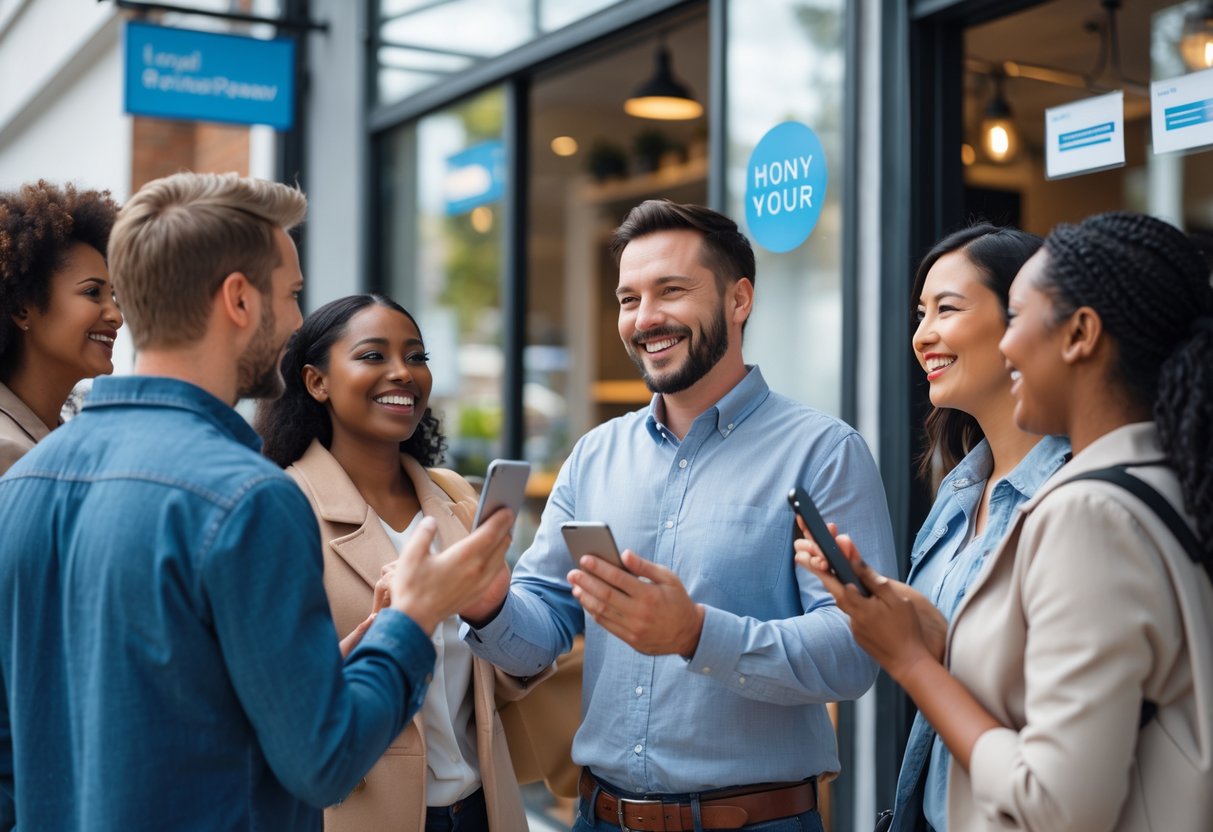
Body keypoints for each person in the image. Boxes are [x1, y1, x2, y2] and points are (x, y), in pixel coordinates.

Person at [0, 172, 515, 831]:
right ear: (239, 300)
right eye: (293, 294)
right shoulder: (249, 498)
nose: (299, 320)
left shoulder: (22, 484)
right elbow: (323, 763)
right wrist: (410, 621)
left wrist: (328, 669)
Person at [463, 199, 897, 832]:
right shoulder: (595, 455)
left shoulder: (824, 453)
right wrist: (486, 602)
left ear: (738, 299)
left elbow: (857, 650)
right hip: (600, 818)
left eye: (671, 291)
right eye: (628, 298)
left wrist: (696, 633)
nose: (645, 319)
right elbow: (542, 626)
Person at [800, 211, 1213, 831]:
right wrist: (932, 632)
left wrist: (913, 660)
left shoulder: (1087, 512)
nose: (1009, 344)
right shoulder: (1159, 478)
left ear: (1080, 334)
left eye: (1018, 319)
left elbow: (1054, 808)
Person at [254, 293, 531, 832]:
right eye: (373, 356)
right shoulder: (281, 509)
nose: (403, 373)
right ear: (317, 382)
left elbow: (505, 681)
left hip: (483, 808)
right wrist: (388, 635)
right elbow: (274, 707)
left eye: (417, 357)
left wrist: (494, 612)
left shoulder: (457, 499)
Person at [888, 225, 1070, 832]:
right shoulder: (958, 492)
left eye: (947, 308)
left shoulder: (1073, 499)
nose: (923, 335)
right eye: (921, 313)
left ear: (1022, 320)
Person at [0, 180, 122, 474]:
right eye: (93, 292)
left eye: (114, 297)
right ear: (21, 309)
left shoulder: (58, 439)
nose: (116, 316)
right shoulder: (8, 453)